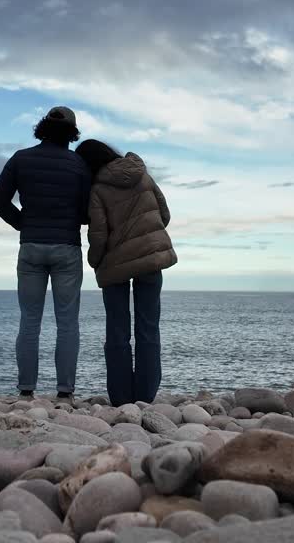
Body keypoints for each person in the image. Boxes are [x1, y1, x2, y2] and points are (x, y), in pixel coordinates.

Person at [0, 106, 91, 400]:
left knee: (30, 321)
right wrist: (70, 220)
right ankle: (65, 393)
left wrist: (23, 223)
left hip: (31, 247)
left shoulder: (21, 159)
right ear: (72, 133)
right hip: (67, 248)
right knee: (68, 322)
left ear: (42, 128)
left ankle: (26, 392)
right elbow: (86, 212)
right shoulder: (78, 165)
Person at [75, 139, 177, 406]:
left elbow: (98, 235)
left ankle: (121, 398)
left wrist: (94, 260)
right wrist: (146, 238)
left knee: (117, 331)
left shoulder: (98, 189)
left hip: (115, 265)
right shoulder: (142, 174)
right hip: (151, 260)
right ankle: (145, 396)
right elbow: (163, 214)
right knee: (148, 327)